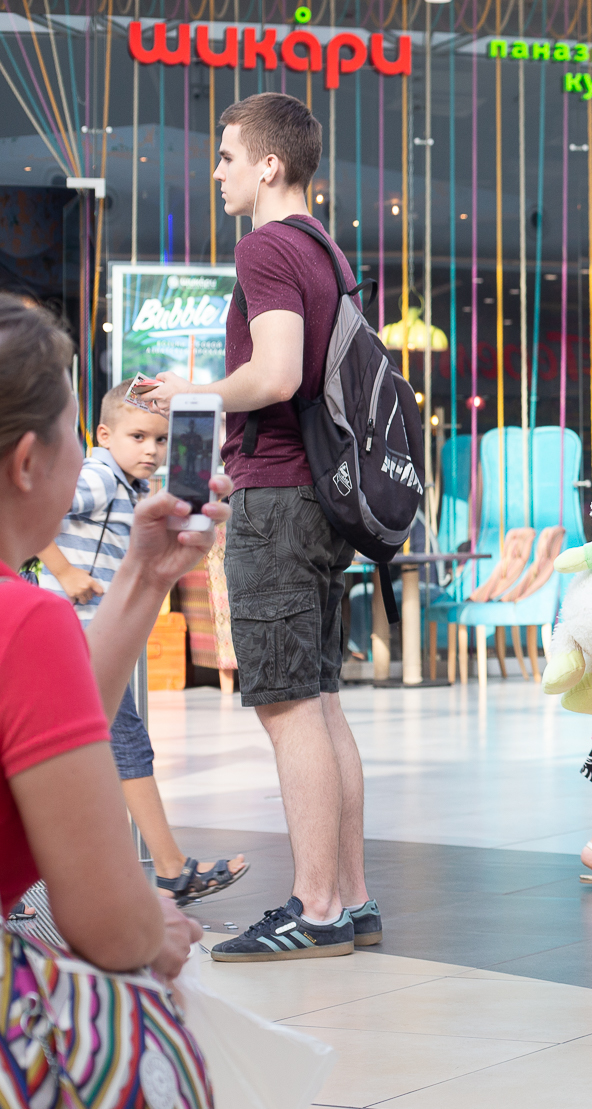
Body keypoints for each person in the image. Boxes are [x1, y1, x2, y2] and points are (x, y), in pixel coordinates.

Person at [142, 91, 378, 959]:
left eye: (228, 156)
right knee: (321, 700)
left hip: (277, 495)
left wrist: (193, 392)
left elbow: (275, 375)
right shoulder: (326, 251)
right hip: (324, 497)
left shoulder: (266, 246)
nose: (218, 172)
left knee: (287, 707)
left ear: (269, 164)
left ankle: (315, 907)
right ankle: (351, 899)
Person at [0, 299, 225, 1096]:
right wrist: (151, 925)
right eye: (74, 431)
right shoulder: (26, 621)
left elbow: (40, 719)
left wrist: (143, 575)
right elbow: (109, 923)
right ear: (29, 460)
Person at [35, 377, 249, 904]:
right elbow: (40, 510)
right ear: (104, 436)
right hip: (78, 638)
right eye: (138, 437)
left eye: (161, 440)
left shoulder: (131, 488)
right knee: (123, 746)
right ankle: (171, 870)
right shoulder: (100, 476)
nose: (151, 450)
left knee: (81, 753)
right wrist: (66, 573)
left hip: (87, 639)